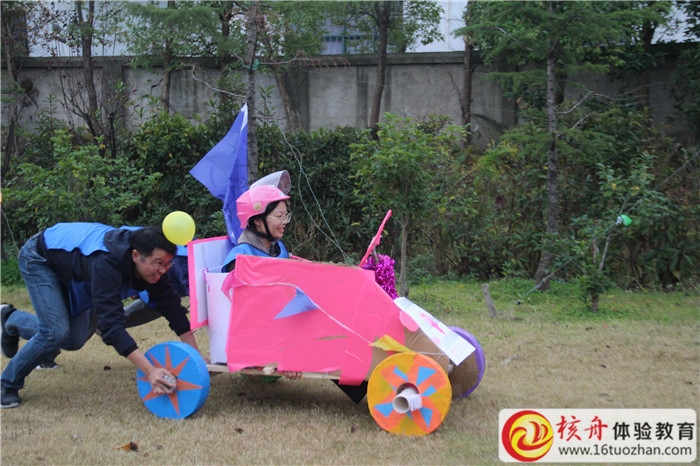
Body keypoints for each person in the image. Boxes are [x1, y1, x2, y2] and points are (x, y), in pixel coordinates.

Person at [1, 223, 205, 408]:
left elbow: (173, 309)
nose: (162, 270)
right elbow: (111, 327)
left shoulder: (154, 264)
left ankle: (9, 319)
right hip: (40, 258)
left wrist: (196, 359)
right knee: (55, 332)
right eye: (158, 263)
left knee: (73, 340)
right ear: (135, 255)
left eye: (167, 264)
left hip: (74, 266)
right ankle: (7, 385)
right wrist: (150, 371)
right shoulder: (106, 263)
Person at [222, 184, 292, 273]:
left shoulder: (279, 248)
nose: (285, 221)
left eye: (286, 215)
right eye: (279, 216)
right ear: (258, 220)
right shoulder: (240, 257)